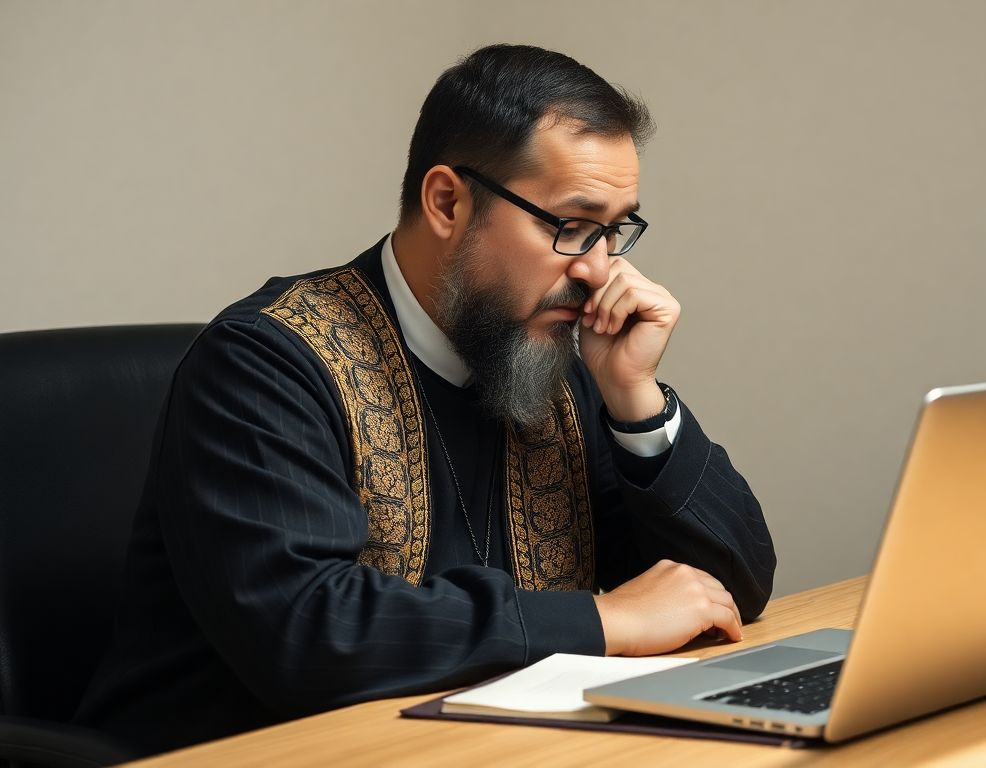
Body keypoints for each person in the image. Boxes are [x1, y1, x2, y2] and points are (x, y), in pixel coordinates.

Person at [75, 44, 776, 756]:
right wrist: (603, 622)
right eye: (571, 225)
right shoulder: (265, 363)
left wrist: (634, 399)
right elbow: (309, 635)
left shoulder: (552, 360)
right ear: (448, 202)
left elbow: (727, 591)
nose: (601, 269)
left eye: (614, 229)